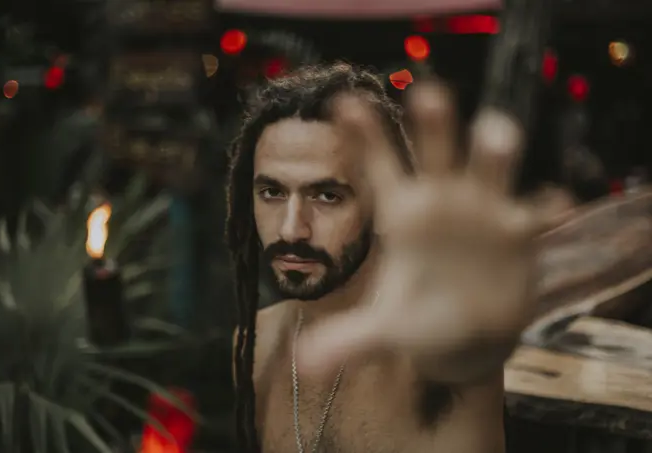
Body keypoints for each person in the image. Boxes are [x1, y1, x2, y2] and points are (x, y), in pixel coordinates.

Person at [226, 63, 564, 453]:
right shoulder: (255, 342)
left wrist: (473, 355)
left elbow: (461, 354)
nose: (290, 229)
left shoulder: (428, 344)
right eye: (272, 192)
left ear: (381, 205)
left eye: (327, 196)